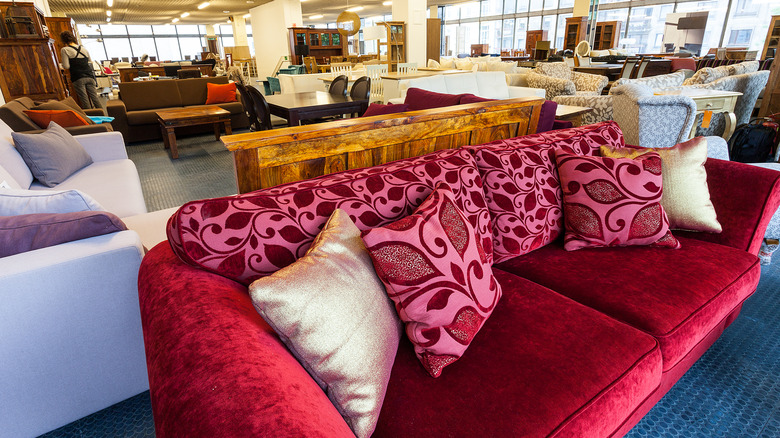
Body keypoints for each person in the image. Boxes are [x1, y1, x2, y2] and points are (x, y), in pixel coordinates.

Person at [59, 31, 105, 112]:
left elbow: (66, 66)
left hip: (78, 77)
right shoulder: (84, 49)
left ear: (63, 40)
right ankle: (103, 115)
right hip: (90, 76)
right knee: (95, 98)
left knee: (85, 100)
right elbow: (90, 62)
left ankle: (91, 119)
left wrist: (61, 65)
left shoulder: (65, 50)